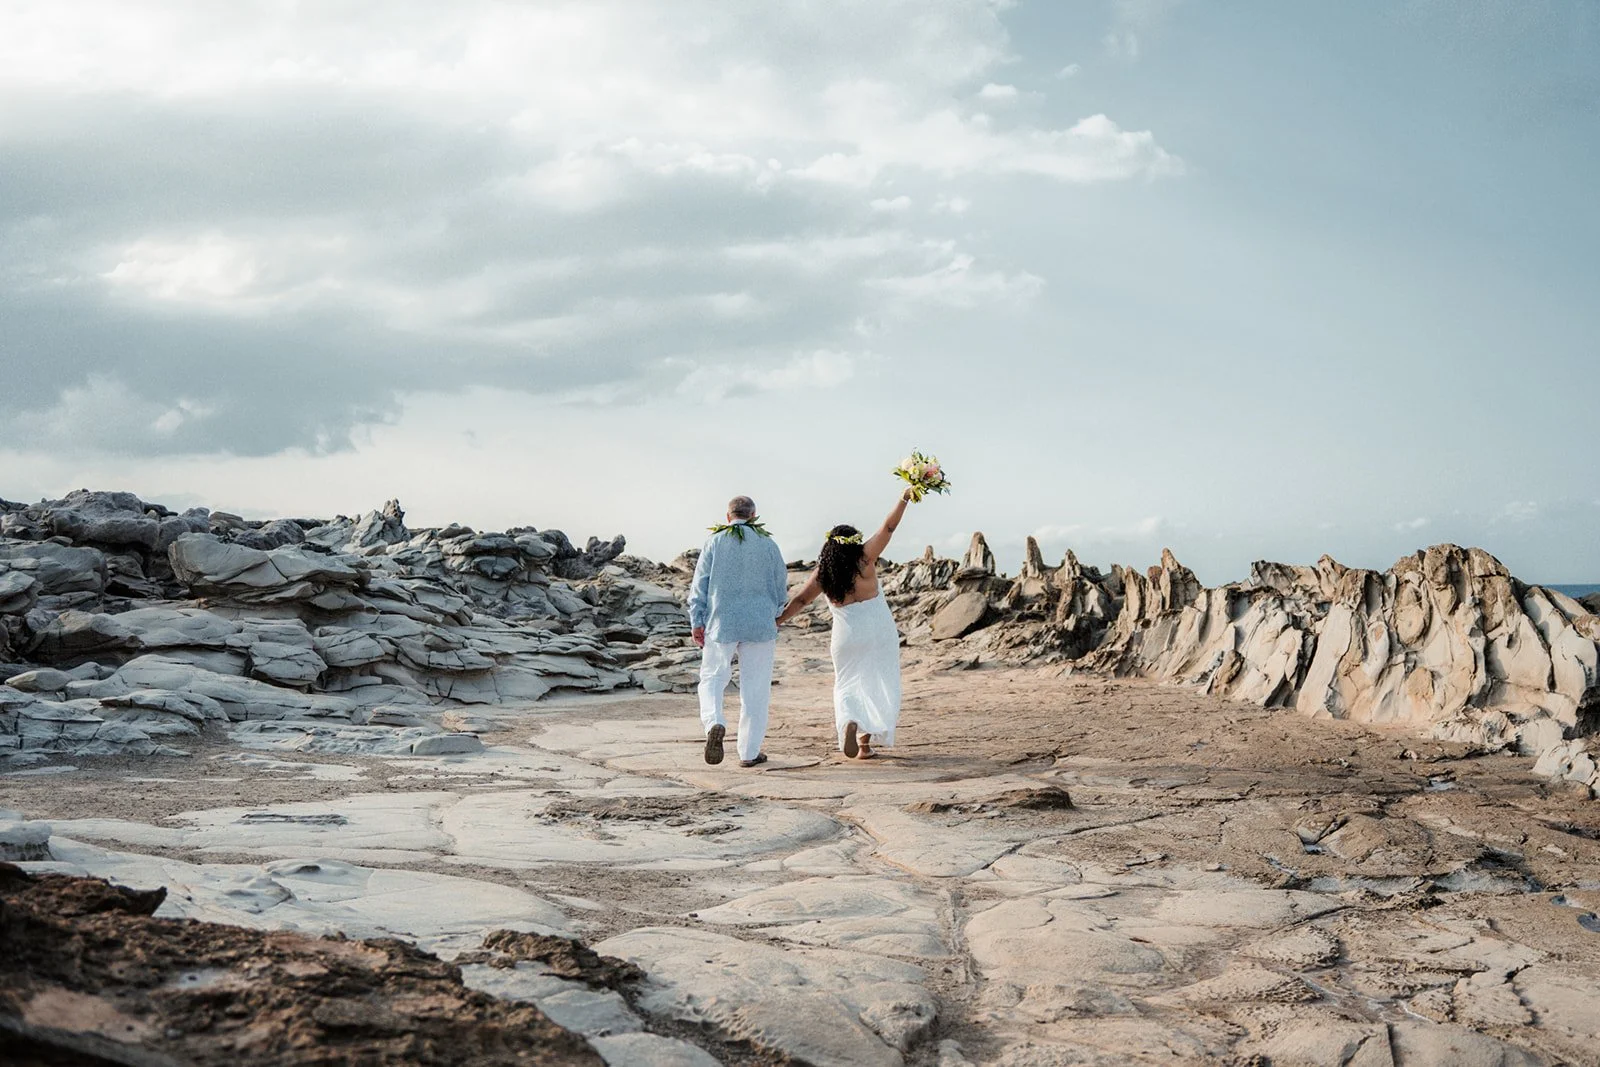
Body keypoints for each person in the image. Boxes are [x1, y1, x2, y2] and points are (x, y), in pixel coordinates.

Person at [777, 489, 913, 759]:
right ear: (854, 543)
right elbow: (888, 527)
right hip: (879, 632)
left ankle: (851, 720)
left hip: (846, 636)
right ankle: (864, 744)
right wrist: (905, 497)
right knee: (876, 681)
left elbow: (801, 600)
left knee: (847, 683)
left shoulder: (824, 573)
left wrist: (778, 620)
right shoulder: (865, 559)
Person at [687, 495, 788, 768]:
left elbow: (700, 585)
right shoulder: (768, 544)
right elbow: (781, 586)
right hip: (760, 624)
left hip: (722, 623)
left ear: (728, 516)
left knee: (712, 678)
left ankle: (714, 722)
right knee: (756, 689)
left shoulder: (715, 541)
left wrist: (696, 621)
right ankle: (748, 752)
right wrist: (776, 613)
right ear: (754, 516)